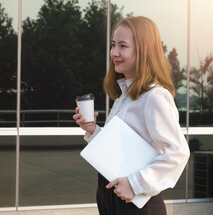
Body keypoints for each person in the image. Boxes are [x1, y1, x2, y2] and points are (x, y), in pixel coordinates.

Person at [73, 16, 190, 215]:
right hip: (112, 194)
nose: (114, 53)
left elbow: (178, 153)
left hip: (137, 203)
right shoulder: (124, 96)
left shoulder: (154, 96)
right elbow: (119, 149)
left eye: (123, 46)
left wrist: (135, 185)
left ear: (143, 51)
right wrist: (93, 130)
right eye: (113, 45)